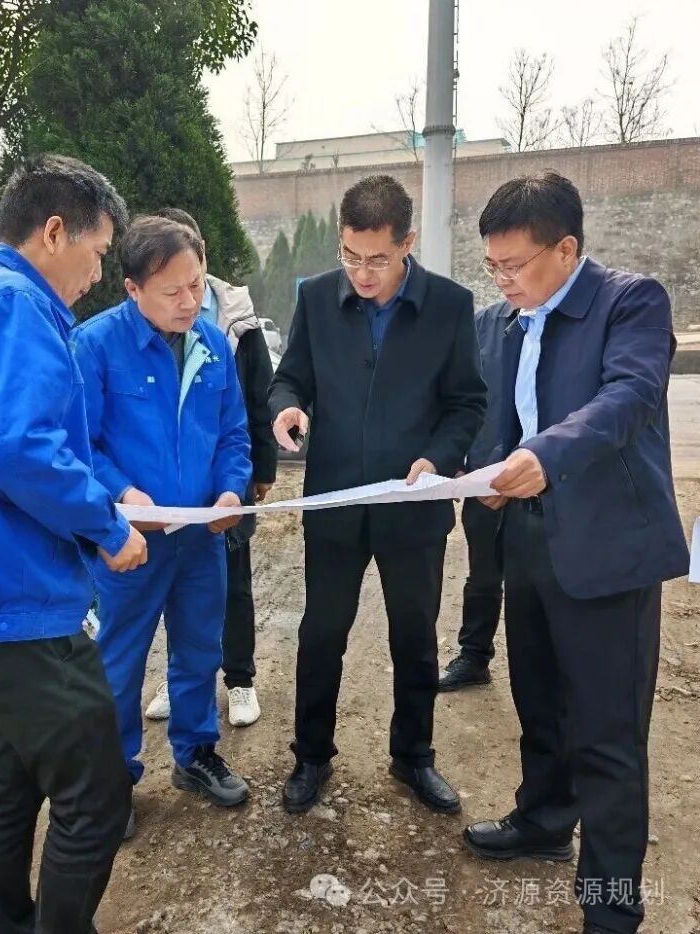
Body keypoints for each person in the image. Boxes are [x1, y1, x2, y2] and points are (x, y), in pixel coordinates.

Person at [0, 154, 147, 934]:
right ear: (54, 233)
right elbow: (19, 450)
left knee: (9, 782)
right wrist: (107, 526)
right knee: (97, 789)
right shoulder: (16, 303)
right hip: (16, 601)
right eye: (98, 252)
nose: (98, 274)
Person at [462, 171, 690, 934]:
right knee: (540, 703)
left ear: (565, 250)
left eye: (514, 265)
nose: (502, 280)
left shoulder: (631, 303)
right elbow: (494, 418)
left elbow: (627, 399)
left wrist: (545, 456)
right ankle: (544, 819)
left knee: (608, 737)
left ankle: (611, 909)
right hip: (529, 540)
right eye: (492, 266)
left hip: (607, 550)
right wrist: (472, 470)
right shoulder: (504, 322)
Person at [269, 174, 486, 816]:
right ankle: (311, 755)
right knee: (322, 633)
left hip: (413, 506)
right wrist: (287, 408)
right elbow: (290, 378)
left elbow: (467, 403)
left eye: (378, 259)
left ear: (407, 244)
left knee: (414, 635)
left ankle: (414, 755)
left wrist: (439, 459)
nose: (362, 274)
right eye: (350, 256)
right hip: (335, 502)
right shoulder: (316, 298)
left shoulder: (448, 305)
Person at [73, 215, 253, 839]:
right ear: (132, 288)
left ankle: (196, 752)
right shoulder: (96, 346)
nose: (189, 301)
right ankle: (113, 778)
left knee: (200, 648)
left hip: (200, 538)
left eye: (197, 284)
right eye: (172, 290)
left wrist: (230, 488)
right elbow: (79, 445)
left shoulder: (213, 344)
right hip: (131, 540)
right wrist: (124, 495)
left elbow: (232, 434)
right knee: (119, 659)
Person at [143, 206, 276, 728]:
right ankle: (180, 678)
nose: (186, 296)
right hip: (169, 489)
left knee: (232, 583)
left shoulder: (236, 320)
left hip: (227, 478)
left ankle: (240, 679)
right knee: (176, 588)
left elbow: (256, 399)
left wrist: (259, 471)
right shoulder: (143, 319)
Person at [438, 300, 510, 691]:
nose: (506, 277)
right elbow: (456, 397)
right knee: (483, 573)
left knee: (545, 581)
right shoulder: (482, 325)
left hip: (548, 477)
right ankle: (474, 655)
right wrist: (456, 461)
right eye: (497, 270)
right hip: (483, 479)